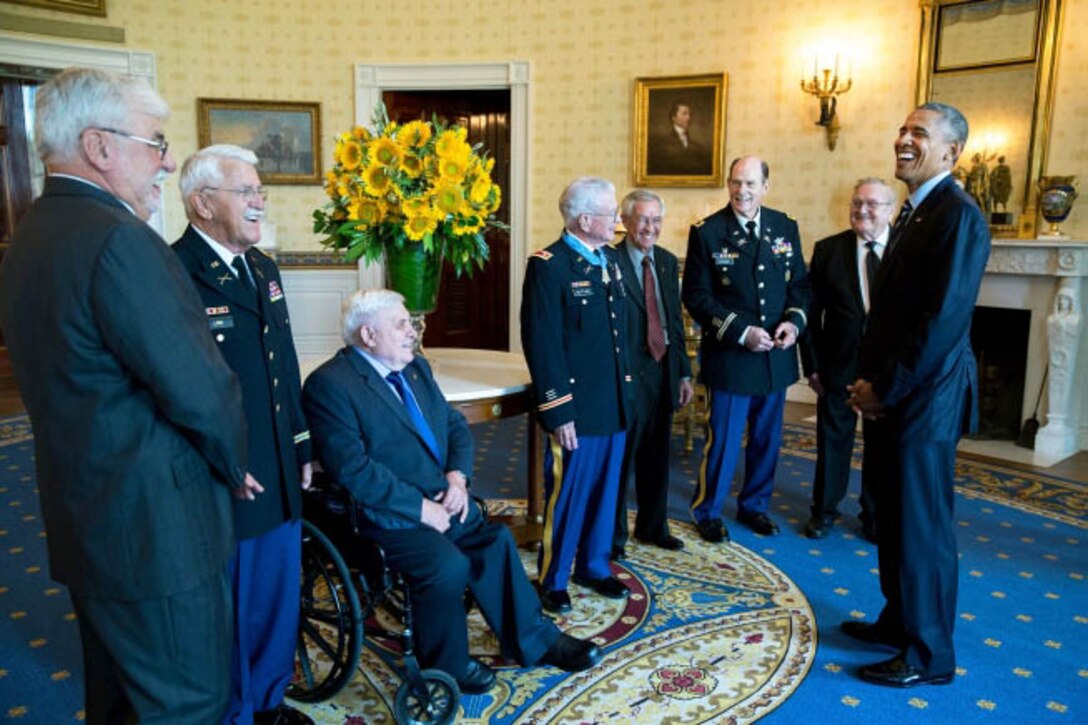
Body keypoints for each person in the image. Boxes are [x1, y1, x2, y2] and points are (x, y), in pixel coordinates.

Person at [0, 67, 249, 722]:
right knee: (185, 704)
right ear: (100, 146)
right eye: (155, 143)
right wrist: (234, 463)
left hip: (88, 519)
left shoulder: (31, 235)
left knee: (117, 702)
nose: (166, 163)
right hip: (156, 535)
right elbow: (201, 388)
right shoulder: (119, 241)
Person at [302, 290, 601, 696]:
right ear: (368, 335)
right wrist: (421, 509)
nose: (413, 331)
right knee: (447, 566)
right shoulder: (330, 386)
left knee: (494, 539)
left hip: (441, 494)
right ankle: (448, 664)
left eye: (410, 322)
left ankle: (536, 639)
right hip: (380, 514)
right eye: (402, 324)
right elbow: (352, 470)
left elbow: (455, 427)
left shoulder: (415, 369)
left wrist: (458, 478)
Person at [844, 102, 990, 688]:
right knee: (893, 519)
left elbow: (940, 323)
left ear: (952, 152)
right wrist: (868, 382)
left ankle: (929, 654)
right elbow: (890, 314)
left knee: (923, 528)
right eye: (904, 129)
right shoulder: (914, 212)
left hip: (924, 401)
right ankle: (898, 621)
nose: (904, 139)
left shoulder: (959, 216)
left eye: (919, 134)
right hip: (895, 396)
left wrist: (885, 388)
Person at [174, 145, 313, 725]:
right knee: (235, 603)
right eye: (246, 192)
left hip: (277, 462)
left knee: (280, 592)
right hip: (229, 473)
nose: (259, 201)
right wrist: (221, 460)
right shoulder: (174, 271)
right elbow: (176, 387)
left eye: (260, 191)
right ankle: (236, 712)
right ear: (203, 203)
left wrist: (301, 444)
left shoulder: (263, 267)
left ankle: (270, 702)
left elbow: (284, 362)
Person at [682, 156, 810, 541]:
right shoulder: (707, 232)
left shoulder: (784, 227)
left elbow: (800, 285)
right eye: (736, 183)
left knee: (767, 440)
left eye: (751, 184)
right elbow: (697, 297)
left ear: (765, 186)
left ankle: (755, 506)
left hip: (775, 356)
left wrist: (794, 322)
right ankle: (708, 511)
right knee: (722, 441)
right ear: (728, 184)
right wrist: (741, 332)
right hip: (733, 357)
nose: (743, 191)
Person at [520, 176, 632, 613]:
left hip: (614, 402)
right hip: (577, 408)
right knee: (568, 493)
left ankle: (594, 566)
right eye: (611, 214)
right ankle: (554, 576)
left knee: (606, 493)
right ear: (585, 219)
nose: (617, 221)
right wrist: (558, 410)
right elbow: (542, 343)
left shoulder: (610, 260)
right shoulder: (549, 265)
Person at [798, 178, 896, 541]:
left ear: (890, 210)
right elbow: (811, 314)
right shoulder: (829, 250)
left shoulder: (904, 250)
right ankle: (823, 511)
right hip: (837, 364)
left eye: (872, 204)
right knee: (832, 440)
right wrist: (812, 365)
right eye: (857, 203)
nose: (862, 210)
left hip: (887, 369)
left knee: (881, 445)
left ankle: (872, 514)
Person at [611, 189, 693, 559]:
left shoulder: (665, 261)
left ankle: (652, 527)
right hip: (626, 376)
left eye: (656, 220)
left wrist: (684, 373)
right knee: (621, 459)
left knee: (658, 455)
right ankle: (613, 539)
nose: (650, 227)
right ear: (625, 221)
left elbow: (673, 321)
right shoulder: (608, 261)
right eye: (643, 219)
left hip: (662, 372)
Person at [647, 101, 711, 176]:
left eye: (690, 114)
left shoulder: (697, 146)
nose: (689, 117)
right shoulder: (662, 144)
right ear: (673, 117)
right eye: (684, 114)